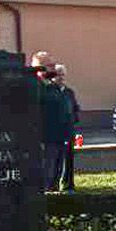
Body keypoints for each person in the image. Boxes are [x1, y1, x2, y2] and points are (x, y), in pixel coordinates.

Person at [34, 52, 74, 192]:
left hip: (59, 137)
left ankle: (54, 193)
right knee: (46, 172)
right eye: (50, 65)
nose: (53, 68)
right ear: (40, 67)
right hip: (45, 138)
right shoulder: (35, 87)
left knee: (56, 172)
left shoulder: (52, 87)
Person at [54, 64, 81, 192]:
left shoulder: (69, 92)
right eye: (58, 75)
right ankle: (53, 185)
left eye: (62, 75)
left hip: (68, 130)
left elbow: (75, 108)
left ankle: (68, 185)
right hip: (55, 131)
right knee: (56, 160)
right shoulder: (51, 92)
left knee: (69, 159)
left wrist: (74, 119)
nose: (60, 77)